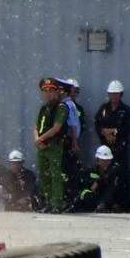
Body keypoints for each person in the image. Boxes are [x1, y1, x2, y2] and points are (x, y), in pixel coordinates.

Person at [33, 77, 67, 213]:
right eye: (45, 91)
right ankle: (48, 202)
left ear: (56, 92)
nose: (48, 94)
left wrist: (40, 139)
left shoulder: (61, 108)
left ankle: (57, 204)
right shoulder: (43, 108)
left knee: (55, 174)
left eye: (51, 91)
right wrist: (37, 139)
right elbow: (36, 126)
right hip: (42, 146)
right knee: (44, 175)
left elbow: (56, 128)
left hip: (54, 146)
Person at [94, 80, 130, 174]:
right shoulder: (104, 108)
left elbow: (128, 128)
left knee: (121, 172)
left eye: (116, 94)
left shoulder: (126, 110)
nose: (114, 96)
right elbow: (97, 123)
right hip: (105, 147)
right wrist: (105, 134)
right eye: (112, 94)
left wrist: (114, 132)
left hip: (120, 148)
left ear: (121, 95)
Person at [56, 78, 83, 210]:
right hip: (65, 142)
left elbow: (73, 126)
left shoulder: (68, 105)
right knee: (64, 172)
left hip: (67, 143)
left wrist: (74, 143)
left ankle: (70, 200)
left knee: (69, 172)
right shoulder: (64, 105)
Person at [75, 145, 127, 213]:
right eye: (103, 160)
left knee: (115, 182)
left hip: (111, 197)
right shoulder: (90, 172)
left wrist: (98, 182)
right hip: (96, 198)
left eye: (107, 160)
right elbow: (85, 188)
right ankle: (103, 206)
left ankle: (105, 205)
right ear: (97, 160)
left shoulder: (115, 169)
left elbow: (113, 173)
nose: (105, 162)